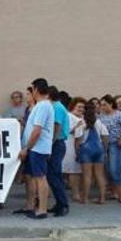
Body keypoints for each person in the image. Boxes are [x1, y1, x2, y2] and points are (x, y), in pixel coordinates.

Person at [16, 79, 55, 219]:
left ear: (36, 90)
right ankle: (31, 206)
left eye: (32, 89)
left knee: (40, 177)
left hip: (38, 148)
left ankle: (42, 209)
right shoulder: (40, 105)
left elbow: (37, 130)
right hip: (34, 147)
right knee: (32, 177)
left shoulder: (43, 106)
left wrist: (27, 148)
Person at [98, 94, 121, 204]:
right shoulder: (100, 116)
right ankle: (113, 192)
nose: (102, 107)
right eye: (101, 105)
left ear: (111, 104)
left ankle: (120, 195)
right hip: (104, 145)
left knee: (114, 169)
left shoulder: (119, 115)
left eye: (104, 105)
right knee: (107, 170)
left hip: (115, 144)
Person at [46, 86, 71, 217]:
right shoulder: (56, 106)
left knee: (54, 175)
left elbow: (57, 126)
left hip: (57, 144)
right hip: (57, 143)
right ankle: (59, 203)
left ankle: (63, 204)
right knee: (53, 175)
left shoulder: (56, 107)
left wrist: (50, 143)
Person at [78, 101, 110, 204]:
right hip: (98, 149)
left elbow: (78, 138)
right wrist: (104, 149)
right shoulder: (99, 122)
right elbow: (105, 136)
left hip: (86, 149)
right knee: (100, 174)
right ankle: (102, 198)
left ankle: (85, 198)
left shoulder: (82, 122)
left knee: (87, 175)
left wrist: (77, 150)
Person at [63, 97, 86, 202]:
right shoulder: (68, 116)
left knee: (76, 170)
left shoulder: (82, 117)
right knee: (73, 170)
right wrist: (77, 125)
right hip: (69, 145)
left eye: (83, 107)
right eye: (79, 106)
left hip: (80, 145)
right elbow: (67, 131)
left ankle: (76, 192)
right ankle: (75, 194)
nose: (81, 109)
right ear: (73, 106)